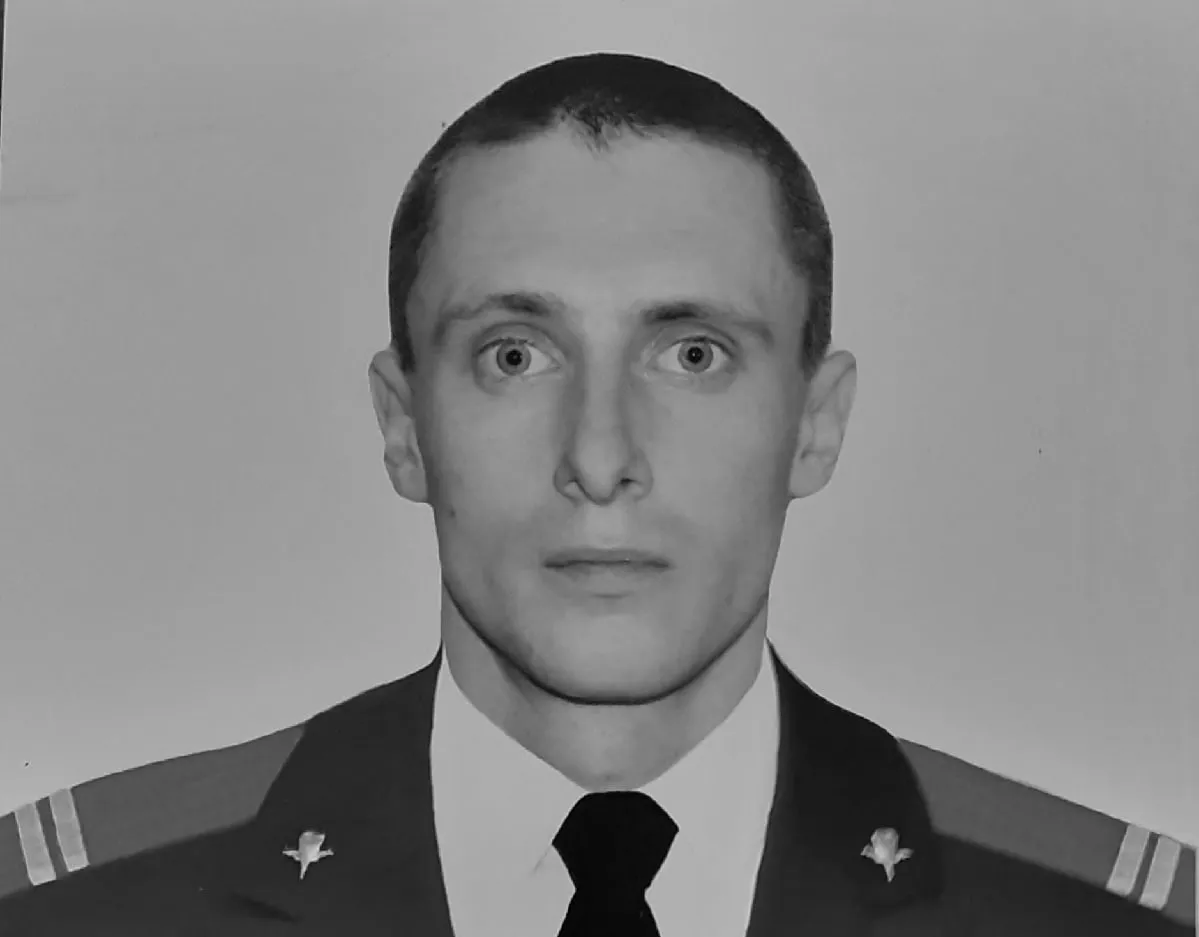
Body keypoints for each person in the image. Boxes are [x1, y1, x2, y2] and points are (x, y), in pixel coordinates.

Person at [0, 52, 1192, 936]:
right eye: (515, 354)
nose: (601, 456)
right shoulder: (75, 909)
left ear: (814, 425)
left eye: (692, 354)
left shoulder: (1096, 917)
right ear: (403, 426)